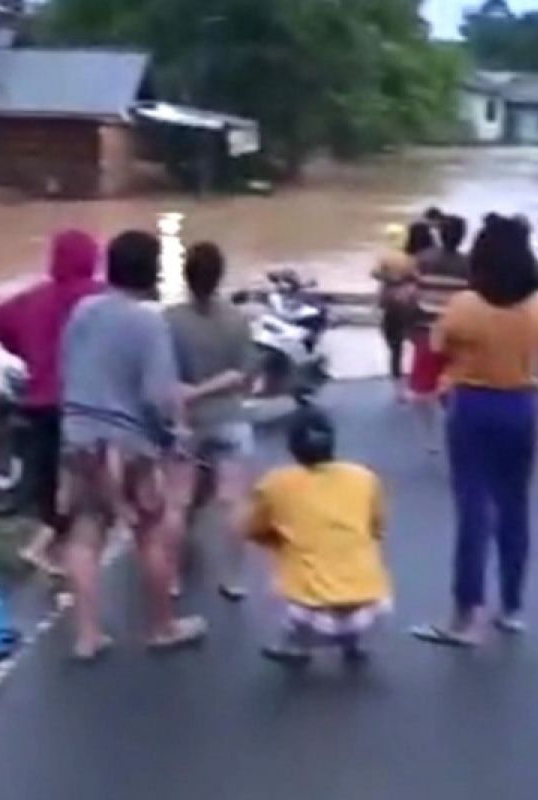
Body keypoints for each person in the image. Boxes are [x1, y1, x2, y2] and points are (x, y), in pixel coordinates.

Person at [59, 230, 206, 659]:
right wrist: (175, 439)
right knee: (151, 534)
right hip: (127, 445)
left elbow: (68, 366)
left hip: (80, 437)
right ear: (151, 270)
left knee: (84, 537)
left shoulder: (84, 309)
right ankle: (163, 627)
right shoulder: (148, 321)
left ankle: (88, 636)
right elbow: (159, 394)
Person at [412, 216, 538, 647]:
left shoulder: (466, 306)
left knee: (473, 508)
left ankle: (465, 615)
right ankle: (512, 608)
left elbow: (436, 346)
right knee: (515, 507)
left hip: (473, 404)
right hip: (522, 405)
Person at [0, 229, 103, 576]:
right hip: (83, 405)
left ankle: (47, 548)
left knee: (54, 481)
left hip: (40, 406)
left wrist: (24, 348)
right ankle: (54, 552)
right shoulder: (99, 298)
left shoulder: (34, 298)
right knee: (86, 485)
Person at [246, 407, 392, 665]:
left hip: (309, 613)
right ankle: (352, 643)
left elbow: (253, 529)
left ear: (291, 447)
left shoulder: (275, 483)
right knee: (354, 559)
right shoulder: (364, 477)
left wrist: (278, 542)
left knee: (286, 570)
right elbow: (377, 528)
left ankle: (296, 646)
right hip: (372, 608)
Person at [166, 242, 256, 601]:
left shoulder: (170, 319)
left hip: (186, 422)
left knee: (177, 502)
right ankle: (233, 579)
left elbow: (163, 375)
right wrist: (211, 389)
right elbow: (244, 376)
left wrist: (190, 394)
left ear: (186, 276)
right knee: (233, 502)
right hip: (231, 419)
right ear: (220, 276)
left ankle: (170, 578)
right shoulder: (237, 319)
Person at [410, 214, 470, 453]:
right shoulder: (469, 264)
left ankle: (429, 438)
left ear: (439, 234)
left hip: (426, 330)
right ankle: (455, 425)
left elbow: (413, 293)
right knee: (456, 384)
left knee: (422, 389)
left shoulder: (422, 260)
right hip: (458, 333)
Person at [371, 224, 419, 397]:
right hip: (407, 302)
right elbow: (416, 277)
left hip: (389, 302)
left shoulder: (384, 258)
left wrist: (389, 278)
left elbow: (374, 274)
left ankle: (398, 387)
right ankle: (415, 379)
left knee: (394, 346)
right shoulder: (410, 258)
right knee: (413, 340)